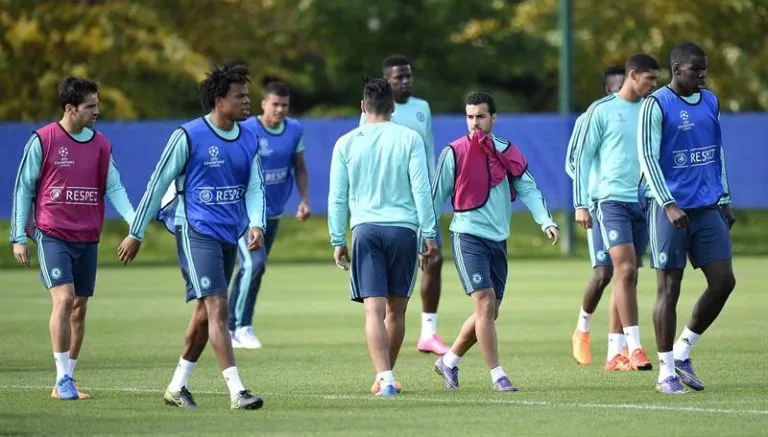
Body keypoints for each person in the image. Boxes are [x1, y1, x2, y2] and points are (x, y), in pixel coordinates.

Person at [117, 62, 266, 410]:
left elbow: (255, 186)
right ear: (218, 100)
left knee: (203, 312)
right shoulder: (188, 136)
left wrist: (256, 223)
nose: (248, 102)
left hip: (230, 232)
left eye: (248, 95)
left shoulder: (249, 138)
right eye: (240, 96)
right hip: (195, 229)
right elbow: (156, 184)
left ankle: (177, 387)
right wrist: (136, 232)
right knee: (218, 306)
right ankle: (237, 391)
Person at [10, 76, 136, 400]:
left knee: (79, 308)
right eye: (91, 106)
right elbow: (24, 188)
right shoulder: (44, 140)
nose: (98, 111)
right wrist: (18, 236)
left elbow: (115, 187)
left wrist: (134, 223)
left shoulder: (101, 145)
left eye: (98, 104)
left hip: (87, 236)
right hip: (52, 234)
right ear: (70, 108)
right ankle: (62, 379)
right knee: (64, 300)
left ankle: (66, 379)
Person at [432, 92, 559, 392]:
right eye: (470, 117)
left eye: (481, 116)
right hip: (467, 236)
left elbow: (528, 188)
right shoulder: (454, 152)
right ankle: (498, 376)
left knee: (488, 313)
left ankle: (448, 361)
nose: (474, 123)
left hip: (498, 240)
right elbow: (435, 198)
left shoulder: (507, 150)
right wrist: (427, 235)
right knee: (486, 303)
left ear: (493, 118)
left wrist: (546, 221)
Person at [637, 42, 736, 394]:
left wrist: (724, 197)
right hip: (669, 209)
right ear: (677, 70)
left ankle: (683, 351)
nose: (702, 75)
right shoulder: (655, 105)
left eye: (704, 69)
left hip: (707, 205)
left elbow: (716, 151)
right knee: (669, 287)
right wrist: (667, 203)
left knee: (724, 281)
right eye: (696, 70)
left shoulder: (711, 101)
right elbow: (647, 157)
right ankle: (665, 372)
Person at [330, 78, 438, 397]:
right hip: (403, 231)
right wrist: (429, 233)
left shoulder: (346, 142)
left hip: (365, 230)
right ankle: (387, 376)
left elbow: (338, 197)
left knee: (372, 311)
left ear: (363, 107)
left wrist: (338, 239)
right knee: (397, 311)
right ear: (393, 106)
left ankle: (385, 377)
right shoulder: (410, 138)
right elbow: (421, 189)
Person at [572, 54, 660, 372]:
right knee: (619, 270)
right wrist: (581, 203)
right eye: (650, 78)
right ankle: (635, 348)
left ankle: (614, 353)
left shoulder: (652, 110)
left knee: (628, 274)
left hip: (642, 202)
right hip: (609, 201)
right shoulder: (600, 112)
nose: (655, 85)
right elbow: (580, 160)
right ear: (633, 76)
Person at [359, 55, 448, 355]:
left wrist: (433, 199)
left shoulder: (422, 108)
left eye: (408, 76)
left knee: (434, 260)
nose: (405, 81)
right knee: (387, 290)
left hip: (420, 201)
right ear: (387, 82)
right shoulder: (374, 113)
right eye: (398, 78)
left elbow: (429, 154)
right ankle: (385, 352)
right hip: (390, 209)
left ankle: (429, 331)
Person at [227, 78, 310, 349]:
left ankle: (228, 326)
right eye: (275, 104)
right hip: (245, 213)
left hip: (273, 214)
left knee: (252, 268)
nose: (280, 110)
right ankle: (241, 326)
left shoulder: (294, 129)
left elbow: (299, 166)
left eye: (284, 105)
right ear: (263, 104)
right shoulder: (247, 128)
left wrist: (304, 200)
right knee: (254, 263)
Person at [566, 65, 629, 369]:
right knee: (604, 274)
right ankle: (582, 328)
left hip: (627, 203)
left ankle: (615, 352)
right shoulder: (589, 118)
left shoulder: (639, 114)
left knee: (623, 273)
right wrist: (587, 197)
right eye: (617, 88)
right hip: (598, 204)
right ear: (608, 90)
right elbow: (573, 163)